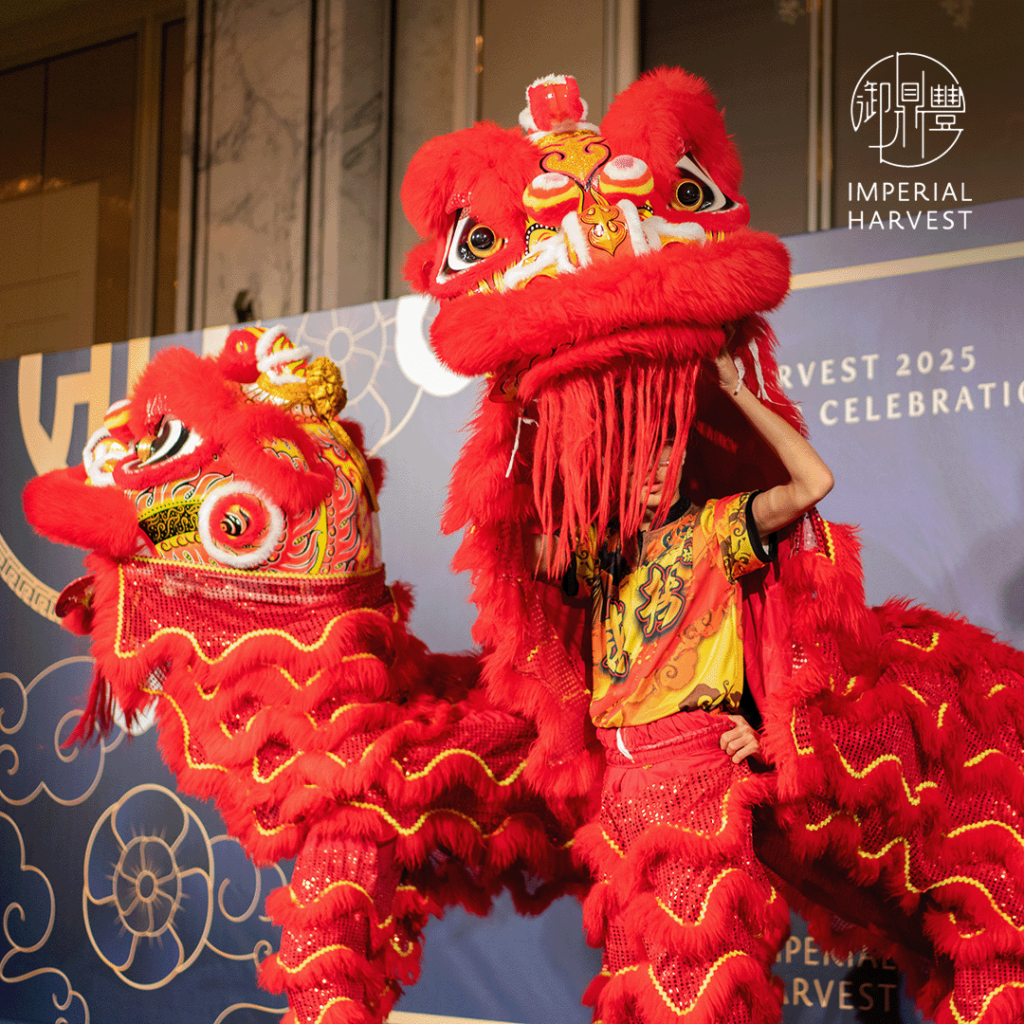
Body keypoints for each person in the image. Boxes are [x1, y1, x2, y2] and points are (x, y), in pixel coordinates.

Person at [557, 340, 833, 1024]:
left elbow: (812, 485)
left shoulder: (716, 529)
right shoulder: (601, 552)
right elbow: (514, 544)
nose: (651, 468)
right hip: (618, 786)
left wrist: (737, 391)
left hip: (693, 772)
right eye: (634, 452)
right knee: (633, 983)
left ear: (683, 457)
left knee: (696, 983)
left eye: (664, 449)